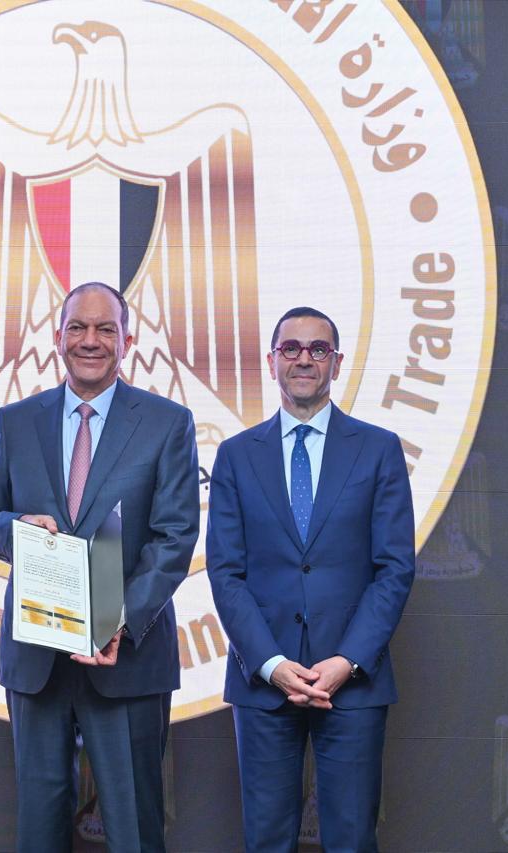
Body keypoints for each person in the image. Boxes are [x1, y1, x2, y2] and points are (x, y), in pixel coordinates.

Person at [0, 282, 199, 852]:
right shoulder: (17, 420)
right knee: (38, 829)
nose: (89, 340)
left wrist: (117, 620)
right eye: (77, 327)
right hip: (36, 659)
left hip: (126, 657)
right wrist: (18, 528)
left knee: (135, 827)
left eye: (104, 329)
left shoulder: (168, 422)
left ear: (128, 341)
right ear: (58, 337)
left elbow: (174, 537)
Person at [207, 307, 415, 853]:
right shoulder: (235, 456)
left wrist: (347, 661)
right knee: (267, 840)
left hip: (353, 682)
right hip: (263, 682)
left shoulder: (379, 449)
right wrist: (270, 664)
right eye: (291, 348)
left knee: (352, 839)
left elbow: (394, 568)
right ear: (271, 361)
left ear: (337, 363)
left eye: (318, 349)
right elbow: (225, 572)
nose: (304, 359)